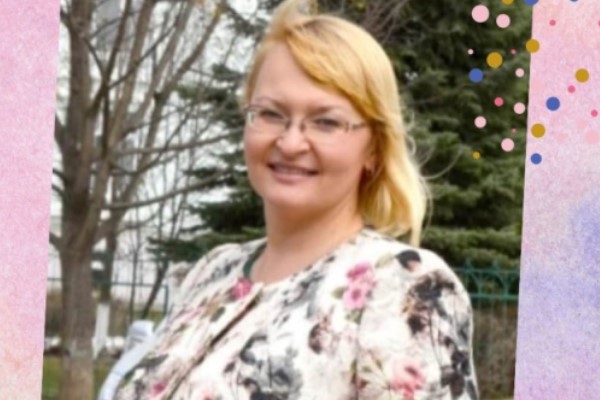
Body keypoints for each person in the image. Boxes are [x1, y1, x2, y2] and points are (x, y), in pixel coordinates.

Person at [112, 0, 479, 398]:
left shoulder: (404, 286)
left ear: (374, 148)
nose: (289, 143)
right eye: (271, 114)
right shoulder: (212, 272)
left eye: (326, 122)